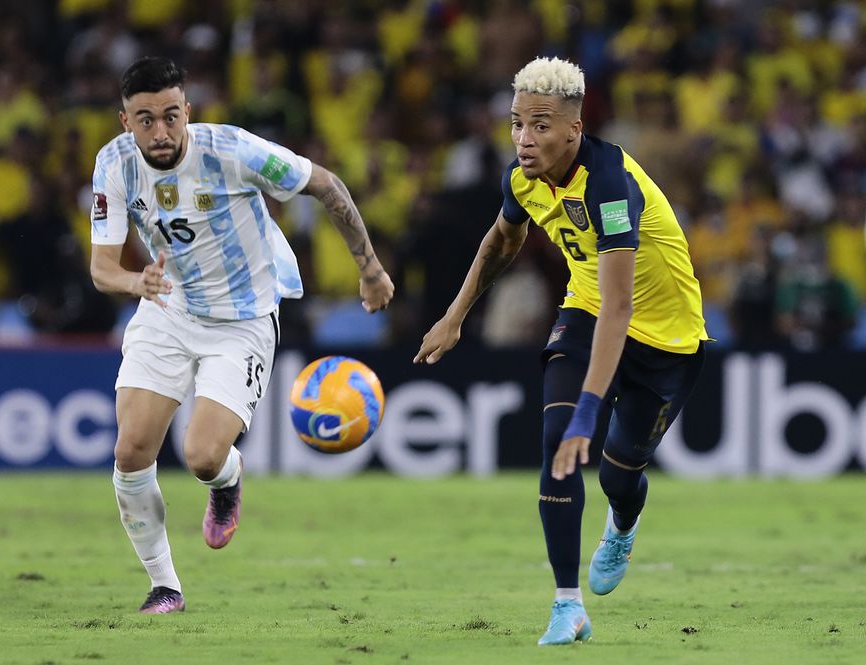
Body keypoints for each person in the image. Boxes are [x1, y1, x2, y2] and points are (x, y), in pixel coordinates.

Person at [414, 57, 707, 645]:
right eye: (517, 123)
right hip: (585, 312)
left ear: (574, 129)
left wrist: (591, 410)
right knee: (556, 444)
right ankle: (566, 605)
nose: (525, 138)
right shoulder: (520, 178)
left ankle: (622, 521)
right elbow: (503, 237)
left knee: (621, 471)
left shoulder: (610, 186)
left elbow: (623, 309)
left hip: (665, 337)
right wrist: (455, 315)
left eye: (540, 125)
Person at [89, 56, 394, 614]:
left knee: (203, 455)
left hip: (243, 318)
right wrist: (138, 281)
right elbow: (102, 268)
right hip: (167, 305)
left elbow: (327, 185)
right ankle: (165, 587)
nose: (161, 131)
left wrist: (369, 267)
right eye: (145, 120)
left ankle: (226, 480)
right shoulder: (112, 164)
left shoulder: (231, 151)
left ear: (188, 111)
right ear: (124, 122)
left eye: (170, 116)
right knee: (131, 450)